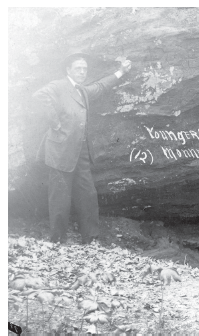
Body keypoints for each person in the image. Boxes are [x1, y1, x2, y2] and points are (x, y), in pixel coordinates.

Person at [33, 53, 132, 244]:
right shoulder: (59, 85)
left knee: (88, 193)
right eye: (78, 68)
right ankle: (58, 239)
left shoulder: (82, 90)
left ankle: (91, 238)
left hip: (81, 150)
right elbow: (39, 96)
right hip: (60, 150)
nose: (82, 72)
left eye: (84, 69)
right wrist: (55, 123)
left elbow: (101, 86)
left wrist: (120, 72)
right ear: (68, 69)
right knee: (60, 196)